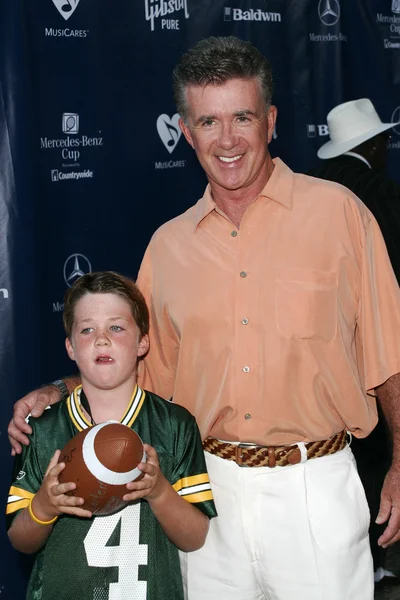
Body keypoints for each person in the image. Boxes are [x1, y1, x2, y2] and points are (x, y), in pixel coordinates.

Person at [8, 37, 400, 600]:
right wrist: (58, 390)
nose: (228, 140)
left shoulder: (340, 214)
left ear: (270, 120)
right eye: (208, 122)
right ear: (187, 133)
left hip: (316, 486)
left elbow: (389, 350)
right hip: (202, 490)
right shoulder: (168, 247)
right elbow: (141, 368)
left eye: (242, 117)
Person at [6, 271, 216, 600]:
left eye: (116, 327)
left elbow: (195, 538)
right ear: (70, 347)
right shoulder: (44, 429)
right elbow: (19, 540)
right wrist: (44, 506)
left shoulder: (174, 424)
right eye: (87, 329)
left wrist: (159, 491)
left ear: (142, 342)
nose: (101, 339)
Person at [310, 98, 400, 588]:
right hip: (379, 339)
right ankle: (377, 549)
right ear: (374, 143)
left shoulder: (313, 188)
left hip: (325, 345)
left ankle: (359, 548)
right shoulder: (380, 192)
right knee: (382, 442)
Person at [310, 98, 400, 283]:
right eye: (386, 139)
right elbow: (395, 254)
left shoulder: (308, 180)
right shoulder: (379, 188)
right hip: (368, 300)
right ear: (374, 145)